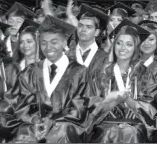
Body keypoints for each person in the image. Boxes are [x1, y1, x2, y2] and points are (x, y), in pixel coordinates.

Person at [5, 15, 92, 143]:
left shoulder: (79, 72)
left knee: (62, 132)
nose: (48, 47)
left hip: (66, 125)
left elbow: (80, 108)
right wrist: (35, 120)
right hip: (34, 125)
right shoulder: (30, 72)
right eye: (43, 43)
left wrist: (53, 121)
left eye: (54, 42)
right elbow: (21, 103)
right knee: (25, 134)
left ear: (64, 43)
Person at [85, 19, 157, 143]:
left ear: (135, 48)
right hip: (104, 125)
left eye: (129, 44)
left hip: (136, 126)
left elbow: (152, 108)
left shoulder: (144, 73)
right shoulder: (100, 71)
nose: (123, 48)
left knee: (131, 133)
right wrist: (108, 100)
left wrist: (128, 100)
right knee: (108, 133)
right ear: (114, 45)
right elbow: (89, 102)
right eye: (119, 43)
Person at [71, 4, 110, 80]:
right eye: (80, 25)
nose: (83, 29)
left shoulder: (105, 58)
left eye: (89, 27)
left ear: (97, 32)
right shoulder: (67, 55)